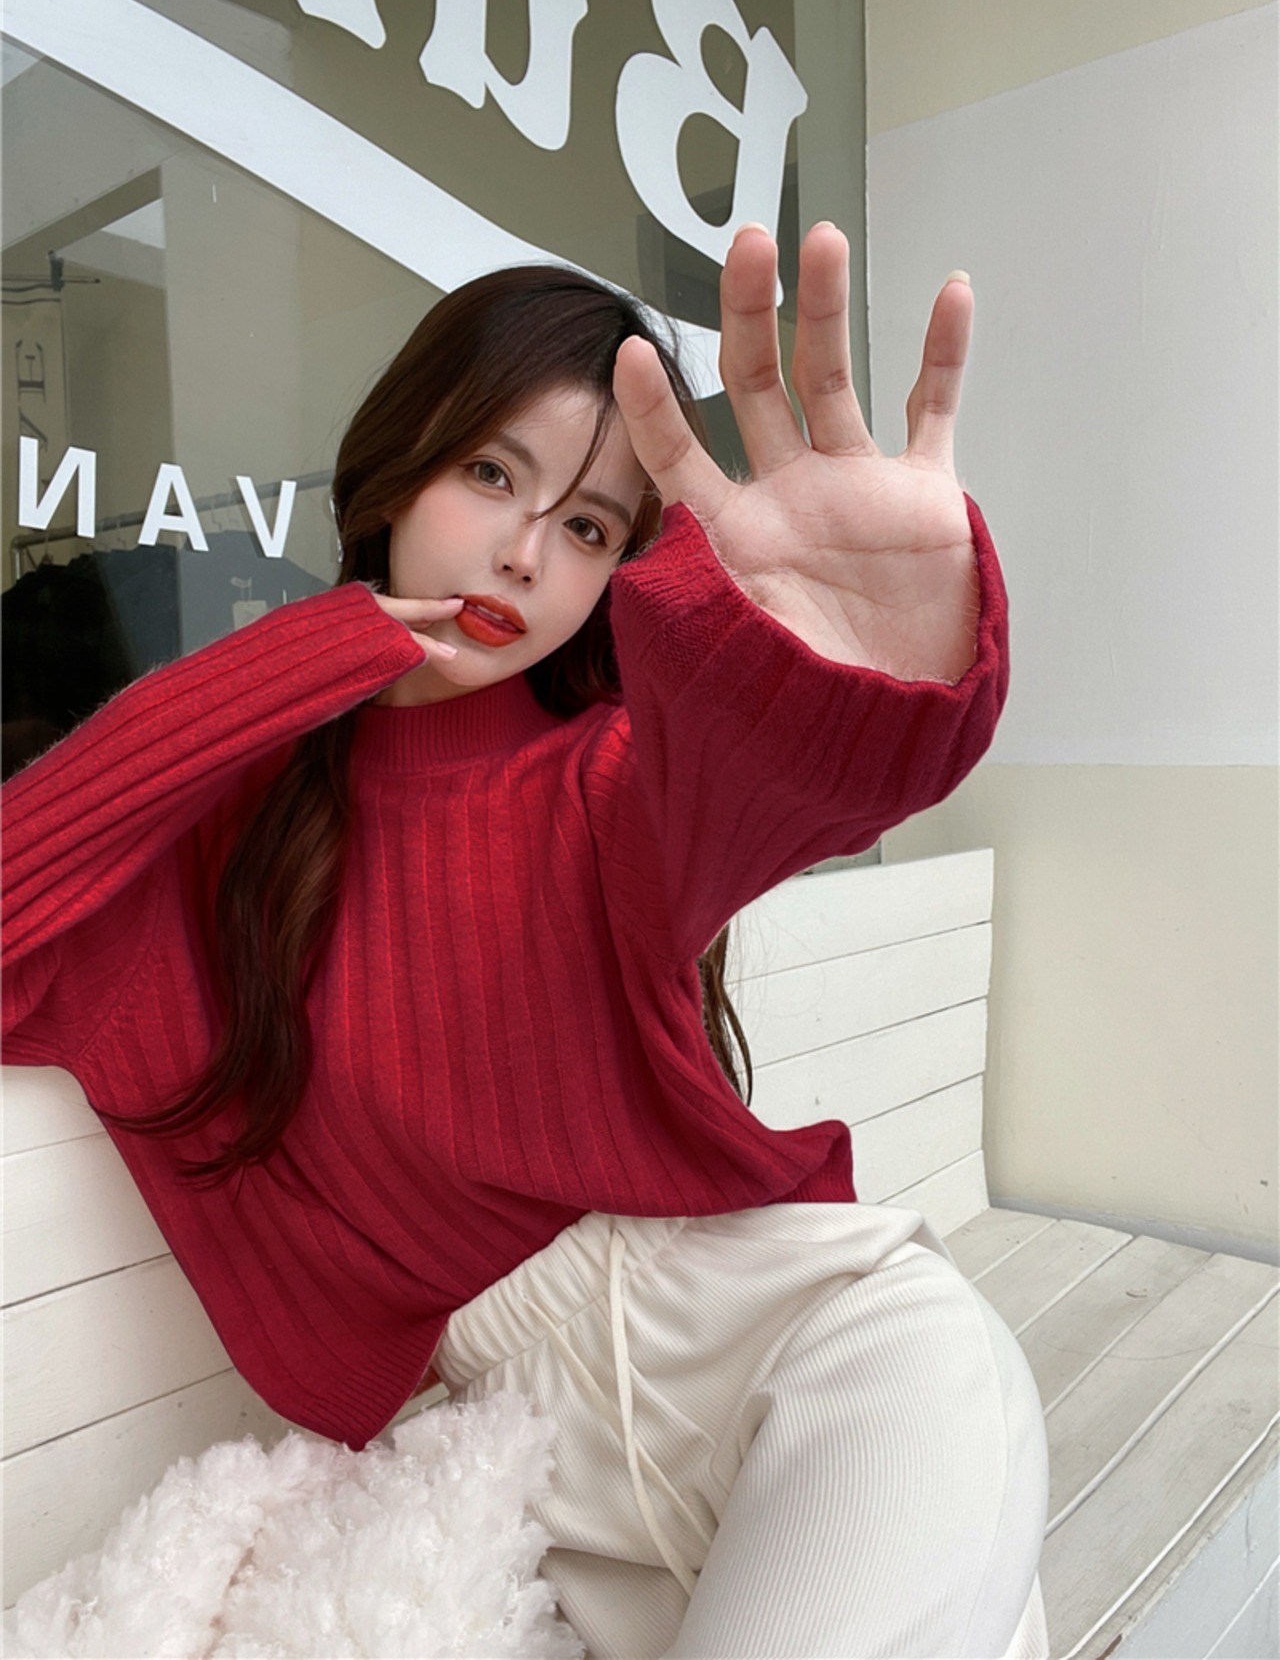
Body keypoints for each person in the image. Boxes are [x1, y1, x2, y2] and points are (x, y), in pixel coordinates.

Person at [2, 222, 1050, 1658]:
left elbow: (795, 770)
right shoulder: (222, 851)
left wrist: (870, 671)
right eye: (492, 474)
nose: (523, 551)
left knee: (941, 1447)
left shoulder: (607, 779)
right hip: (505, 1471)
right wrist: (328, 646)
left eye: (591, 528)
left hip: (766, 1344)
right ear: (397, 465)